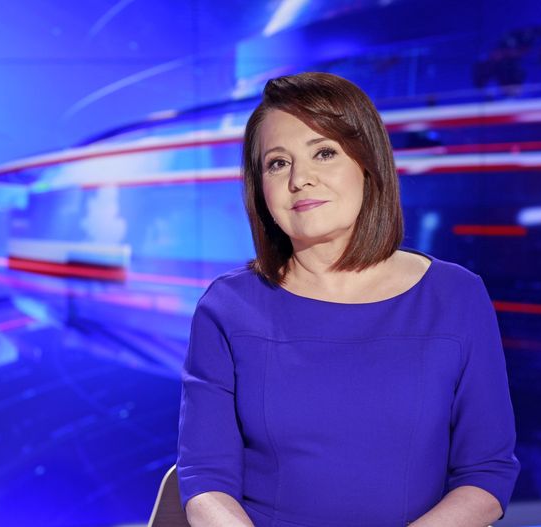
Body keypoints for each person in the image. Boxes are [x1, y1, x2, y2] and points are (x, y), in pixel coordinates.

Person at [176, 72, 520, 526]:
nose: (300, 179)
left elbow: (486, 473)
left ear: (367, 164)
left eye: (324, 153)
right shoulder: (227, 307)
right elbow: (205, 480)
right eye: (277, 163)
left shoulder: (456, 296)